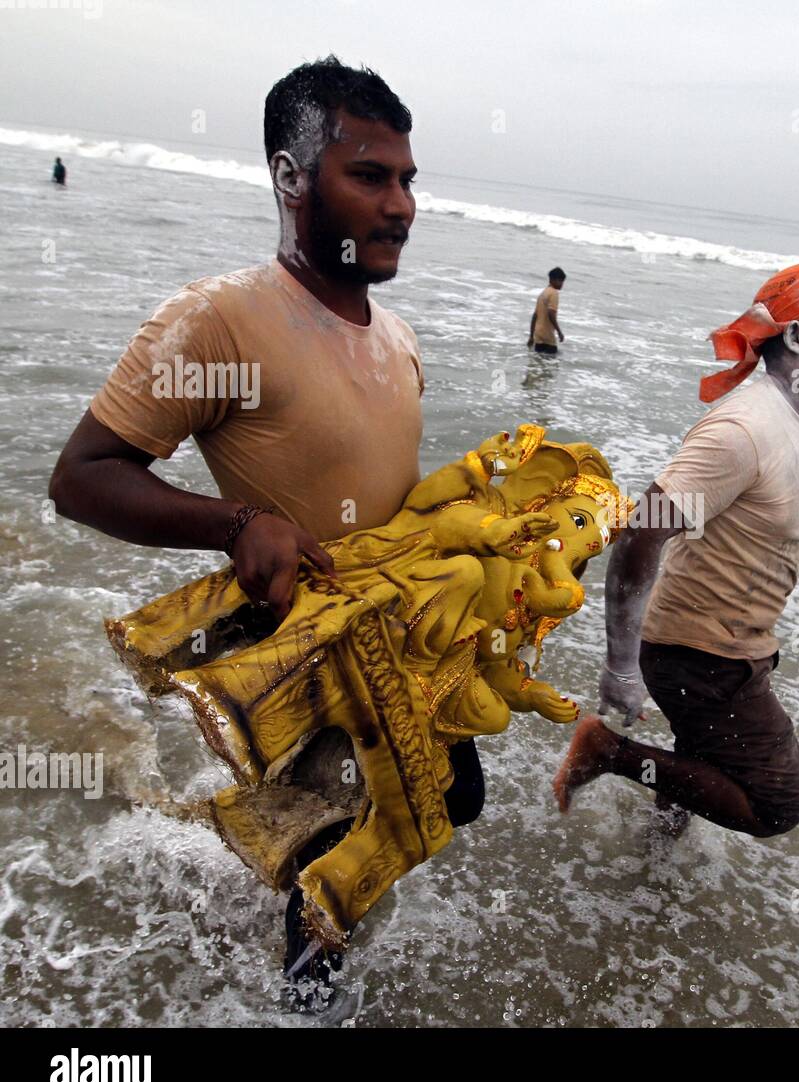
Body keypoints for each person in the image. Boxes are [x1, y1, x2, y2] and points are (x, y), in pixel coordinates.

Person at [46, 55, 484, 1007]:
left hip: (401, 640)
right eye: (369, 175)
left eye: (408, 179)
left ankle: (253, 858)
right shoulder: (225, 323)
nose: (401, 204)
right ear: (291, 178)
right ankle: (294, 1003)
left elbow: (383, 495)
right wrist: (236, 521)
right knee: (340, 853)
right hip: (307, 654)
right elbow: (82, 479)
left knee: (453, 796)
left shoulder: (398, 335)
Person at [552, 261, 799, 837]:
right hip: (699, 655)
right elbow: (644, 531)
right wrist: (620, 665)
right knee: (774, 806)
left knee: (704, 761)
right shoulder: (741, 431)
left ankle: (657, 855)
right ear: (796, 336)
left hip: (728, 649)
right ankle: (606, 753)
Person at [528, 267, 566, 354]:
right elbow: (551, 313)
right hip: (547, 336)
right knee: (552, 365)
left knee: (539, 362)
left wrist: (531, 336)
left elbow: (535, 316)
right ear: (555, 280)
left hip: (538, 335)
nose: (562, 284)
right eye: (561, 281)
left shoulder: (543, 293)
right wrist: (559, 332)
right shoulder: (554, 293)